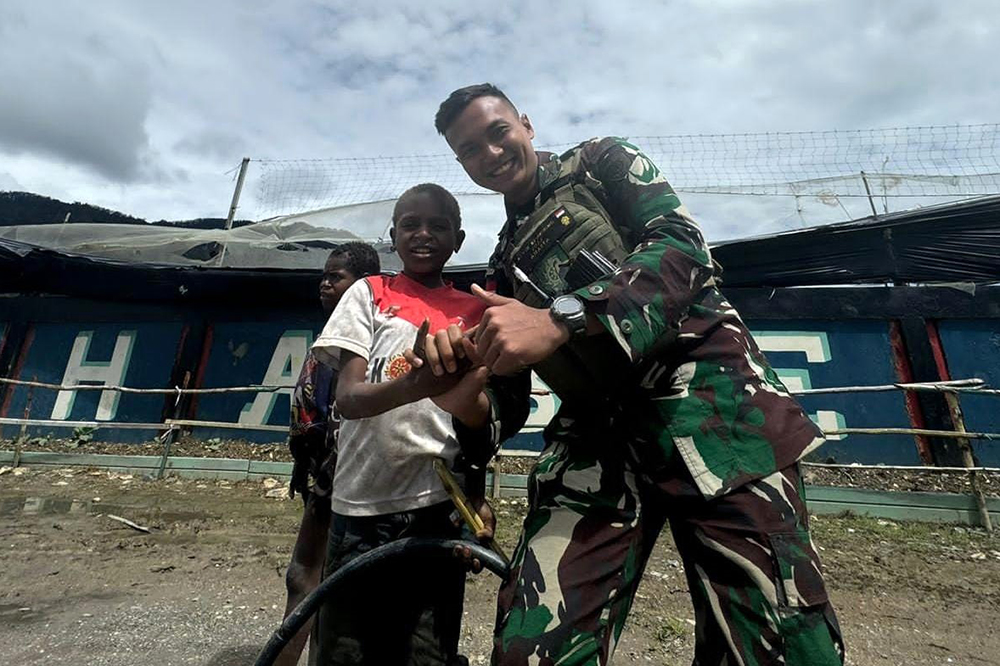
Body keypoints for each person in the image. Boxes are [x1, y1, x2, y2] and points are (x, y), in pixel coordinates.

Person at [425, 84, 845, 666]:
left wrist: (565, 316)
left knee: (779, 645)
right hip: (598, 444)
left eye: (498, 133)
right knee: (530, 648)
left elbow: (683, 247)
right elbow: (506, 403)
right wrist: (462, 397)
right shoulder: (500, 270)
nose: (491, 154)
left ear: (526, 124)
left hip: (716, 415)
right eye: (470, 150)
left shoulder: (601, 162)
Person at [310, 183, 525, 666]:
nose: (423, 234)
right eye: (410, 224)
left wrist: (475, 496)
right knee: (344, 650)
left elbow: (481, 425)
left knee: (424, 652)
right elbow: (348, 398)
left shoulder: (477, 309)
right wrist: (420, 385)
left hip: (436, 508)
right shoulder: (370, 293)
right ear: (393, 235)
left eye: (438, 226)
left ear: (459, 238)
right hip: (359, 504)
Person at [276, 242, 381, 666]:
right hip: (321, 480)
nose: (324, 284)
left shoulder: (364, 340)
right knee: (305, 577)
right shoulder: (329, 337)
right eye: (324, 276)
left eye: (335, 277)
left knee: (323, 582)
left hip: (352, 482)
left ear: (363, 285)